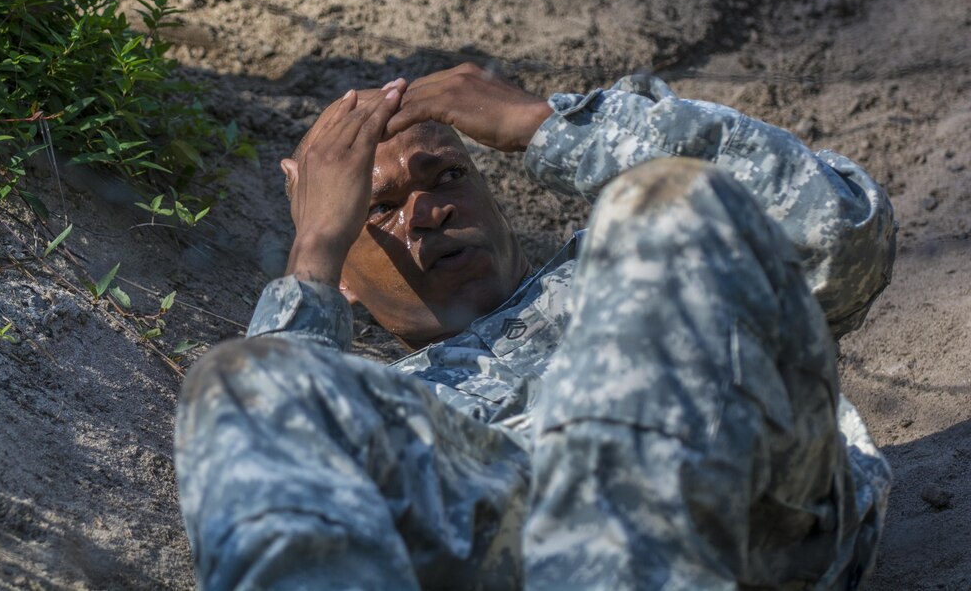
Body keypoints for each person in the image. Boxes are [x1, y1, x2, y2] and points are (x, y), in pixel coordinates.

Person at [175, 64, 896, 590]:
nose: (426, 211)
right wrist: (309, 255)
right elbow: (276, 440)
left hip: (742, 512)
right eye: (378, 209)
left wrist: (544, 128)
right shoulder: (388, 414)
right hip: (535, 555)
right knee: (234, 383)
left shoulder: (629, 259)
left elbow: (841, 233)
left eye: (448, 176)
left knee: (660, 198)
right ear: (343, 276)